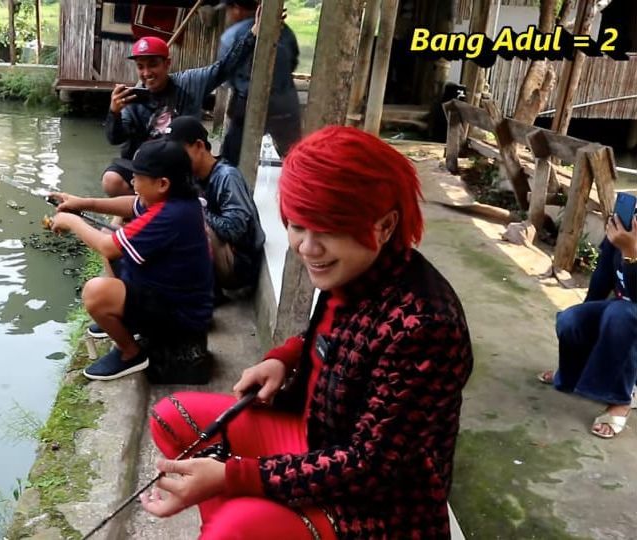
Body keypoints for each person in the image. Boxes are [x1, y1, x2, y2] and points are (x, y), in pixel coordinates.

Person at [140, 126, 473, 538]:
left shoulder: (425, 327)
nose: (308, 248)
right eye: (297, 226)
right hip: (315, 431)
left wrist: (233, 476)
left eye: (330, 229)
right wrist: (284, 358)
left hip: (377, 502)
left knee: (235, 524)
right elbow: (333, 337)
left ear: (385, 226)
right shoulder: (353, 270)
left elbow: (368, 466)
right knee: (172, 419)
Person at [49, 139, 214, 381]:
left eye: (137, 178)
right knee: (116, 245)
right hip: (170, 295)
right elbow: (130, 205)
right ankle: (128, 322)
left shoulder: (169, 215)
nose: (133, 184)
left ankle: (130, 353)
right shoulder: (177, 200)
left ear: (162, 183)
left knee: (96, 292)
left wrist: (72, 221)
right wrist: (82, 202)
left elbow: (107, 248)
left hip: (181, 316)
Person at [101, 10, 261, 198]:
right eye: (141, 67)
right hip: (147, 168)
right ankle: (143, 207)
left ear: (167, 64)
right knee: (111, 180)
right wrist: (114, 113)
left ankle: (153, 207)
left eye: (153, 64)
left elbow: (224, 68)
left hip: (182, 166)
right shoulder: (133, 97)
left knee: (211, 187)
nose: (147, 73)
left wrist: (254, 33)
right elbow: (116, 139)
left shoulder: (190, 82)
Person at [537, 217, 637, 439]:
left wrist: (631, 253)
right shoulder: (626, 229)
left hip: (628, 318)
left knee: (620, 314)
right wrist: (583, 321)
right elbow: (601, 281)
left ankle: (621, 399)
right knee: (571, 320)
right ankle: (575, 375)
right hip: (624, 315)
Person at [165, 115, 264, 296]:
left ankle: (209, 294)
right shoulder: (188, 175)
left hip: (239, 264)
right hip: (216, 256)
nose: (174, 159)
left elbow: (235, 229)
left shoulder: (227, 176)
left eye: (179, 152)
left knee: (190, 219)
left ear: (199, 146)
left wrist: (196, 209)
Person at [216, 0, 301, 166]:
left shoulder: (231, 36)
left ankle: (230, 188)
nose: (228, 14)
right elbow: (294, 60)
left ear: (238, 8)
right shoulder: (285, 31)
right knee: (295, 155)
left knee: (232, 158)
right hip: (285, 103)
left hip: (248, 103)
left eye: (229, 9)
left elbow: (225, 73)